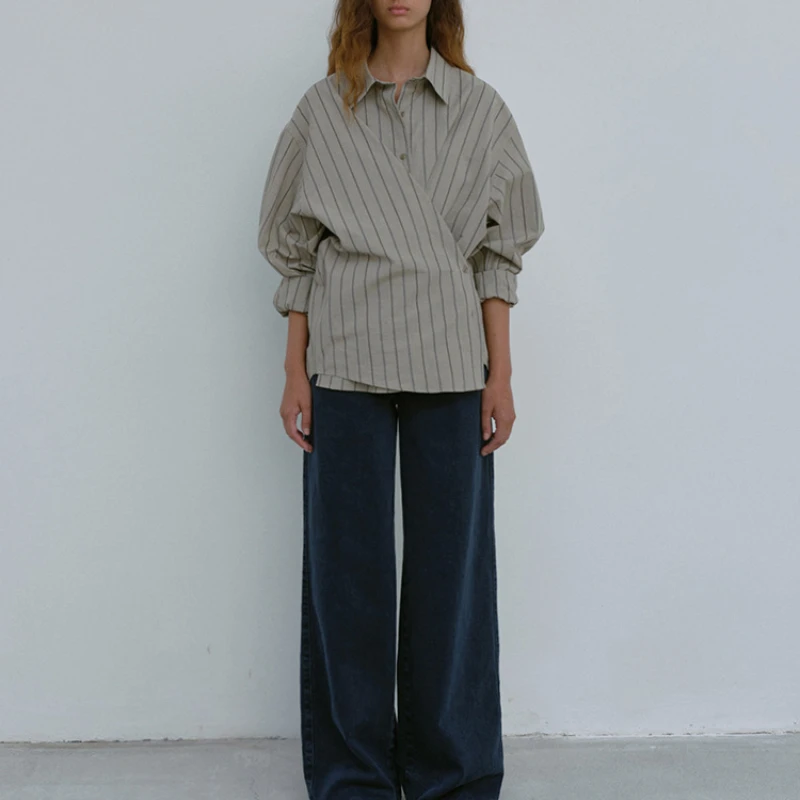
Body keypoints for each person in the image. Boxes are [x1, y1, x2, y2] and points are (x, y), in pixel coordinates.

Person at [257, 1, 544, 798]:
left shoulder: (480, 110)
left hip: (451, 362)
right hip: (344, 360)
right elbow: (297, 252)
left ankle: (451, 774)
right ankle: (354, 778)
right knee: (347, 575)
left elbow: (498, 254)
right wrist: (293, 371)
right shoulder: (324, 109)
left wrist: (500, 374)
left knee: (451, 576)